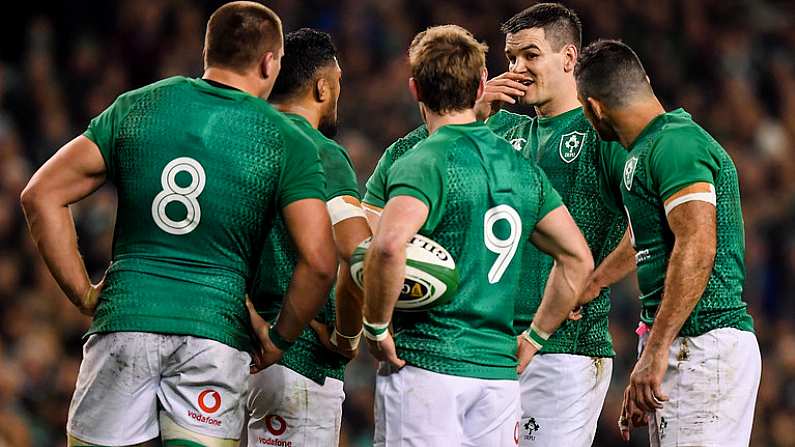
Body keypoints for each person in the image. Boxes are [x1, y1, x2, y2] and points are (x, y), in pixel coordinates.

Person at [19, 3, 337, 446]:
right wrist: (278, 337)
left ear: (208, 52)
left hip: (126, 317)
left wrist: (85, 293)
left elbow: (40, 194)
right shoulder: (284, 139)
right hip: (215, 331)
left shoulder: (139, 106)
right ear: (269, 62)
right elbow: (320, 261)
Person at [363, 4, 632, 444]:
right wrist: (475, 109)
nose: (518, 69)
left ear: (569, 59)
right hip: (493, 352)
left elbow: (649, 222)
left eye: (530, 55)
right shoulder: (500, 131)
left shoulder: (600, 132)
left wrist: (596, 282)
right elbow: (420, 153)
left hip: (562, 349)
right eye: (509, 59)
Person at [575, 39, 761, 445]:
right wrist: (593, 283)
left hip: (702, 341)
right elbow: (647, 238)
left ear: (594, 108)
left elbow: (697, 244)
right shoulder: (649, 148)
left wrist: (656, 353)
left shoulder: (676, 144)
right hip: (684, 346)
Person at [244, 28, 371, 447]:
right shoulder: (319, 150)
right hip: (295, 359)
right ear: (322, 86)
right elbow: (357, 254)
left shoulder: (237, 139)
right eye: (338, 84)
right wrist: (347, 338)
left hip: (221, 351)